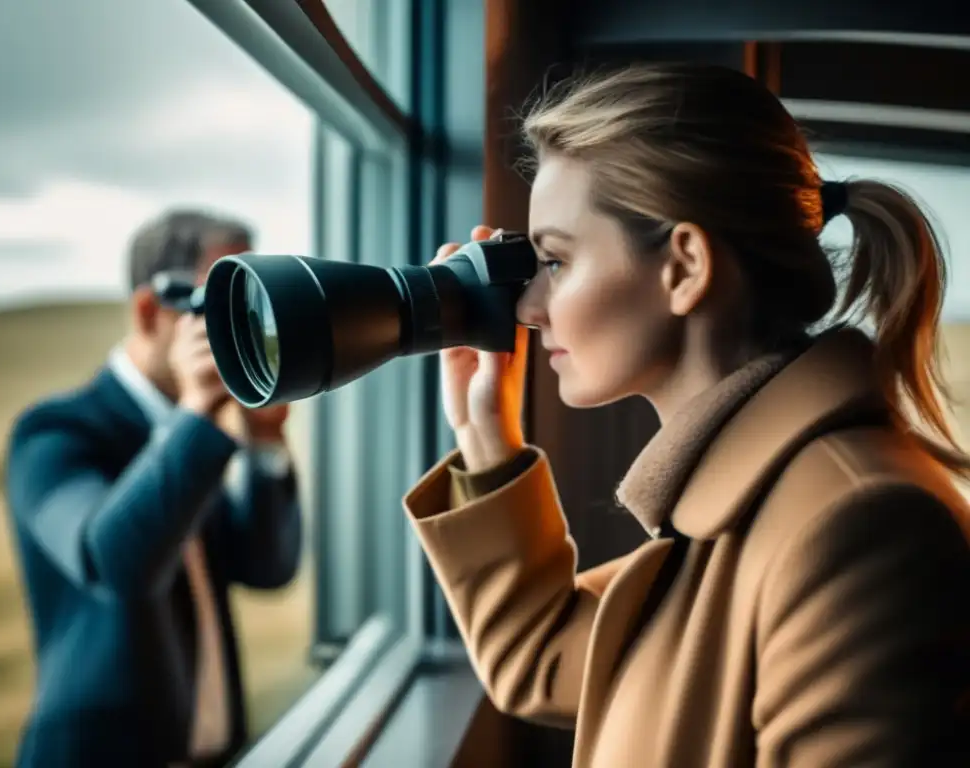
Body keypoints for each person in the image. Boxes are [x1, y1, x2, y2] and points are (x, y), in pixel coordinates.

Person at [403, 63, 970, 767]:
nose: (526, 309)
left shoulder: (860, 528)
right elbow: (544, 656)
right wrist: (485, 437)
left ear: (684, 267)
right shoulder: (747, 514)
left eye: (554, 262)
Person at [6, 210, 304, 768]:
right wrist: (197, 413)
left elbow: (268, 569)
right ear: (150, 312)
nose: (239, 323)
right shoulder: (52, 433)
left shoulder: (190, 436)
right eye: (218, 302)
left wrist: (265, 440)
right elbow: (116, 564)